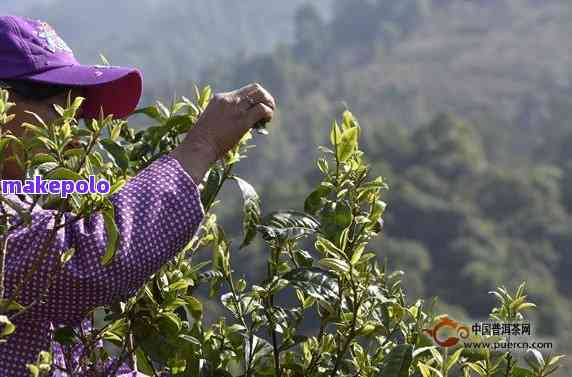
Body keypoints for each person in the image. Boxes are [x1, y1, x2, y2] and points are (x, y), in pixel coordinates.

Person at [0, 15, 275, 376]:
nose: (74, 137)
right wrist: (200, 148)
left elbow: (70, 356)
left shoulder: (29, 193)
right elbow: (88, 259)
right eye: (56, 109)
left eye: (76, 118)